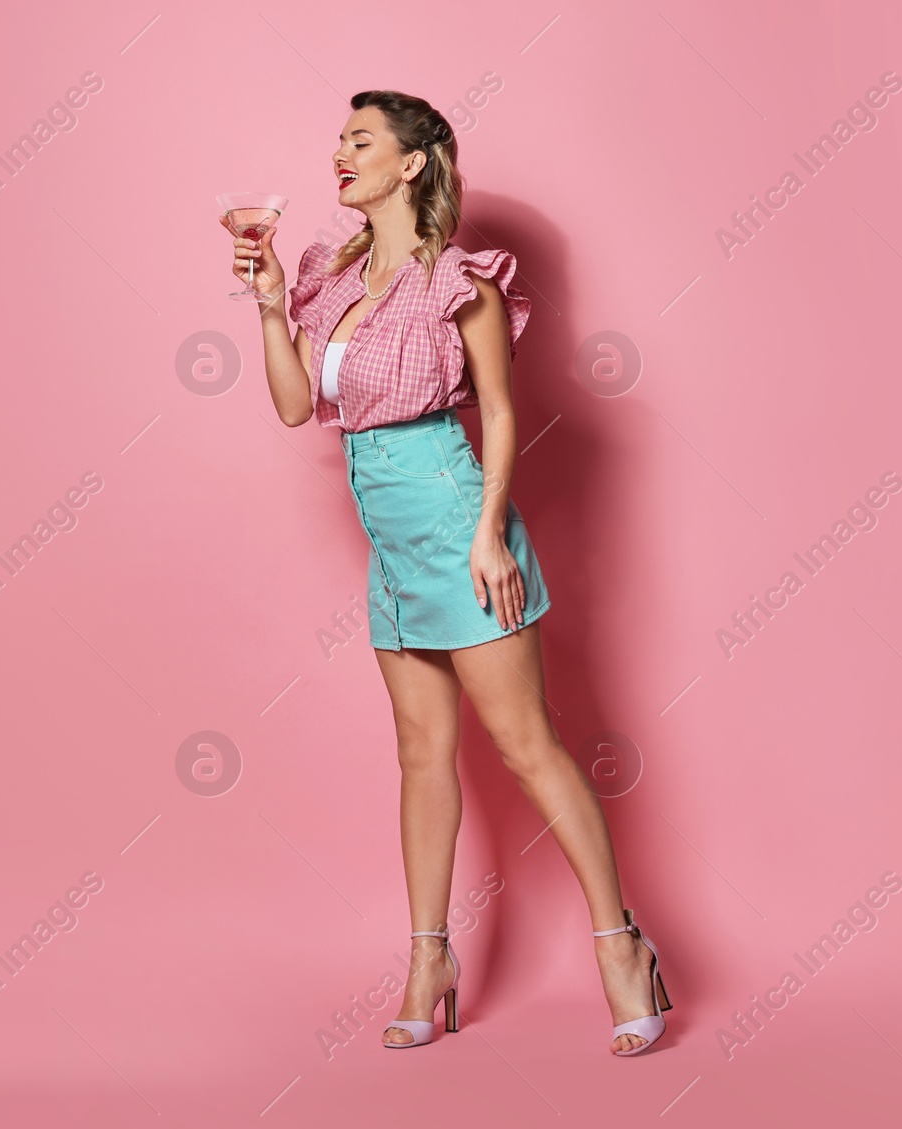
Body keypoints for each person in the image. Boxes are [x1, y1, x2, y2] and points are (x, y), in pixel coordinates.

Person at [229, 89, 671, 1056]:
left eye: (360, 141)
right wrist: (269, 308)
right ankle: (431, 960)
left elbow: (502, 414)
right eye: (337, 141)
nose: (338, 154)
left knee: (527, 746)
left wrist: (486, 536)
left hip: (453, 517)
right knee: (421, 756)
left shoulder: (458, 281)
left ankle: (620, 947)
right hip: (388, 540)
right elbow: (298, 405)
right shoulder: (329, 273)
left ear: (412, 163)